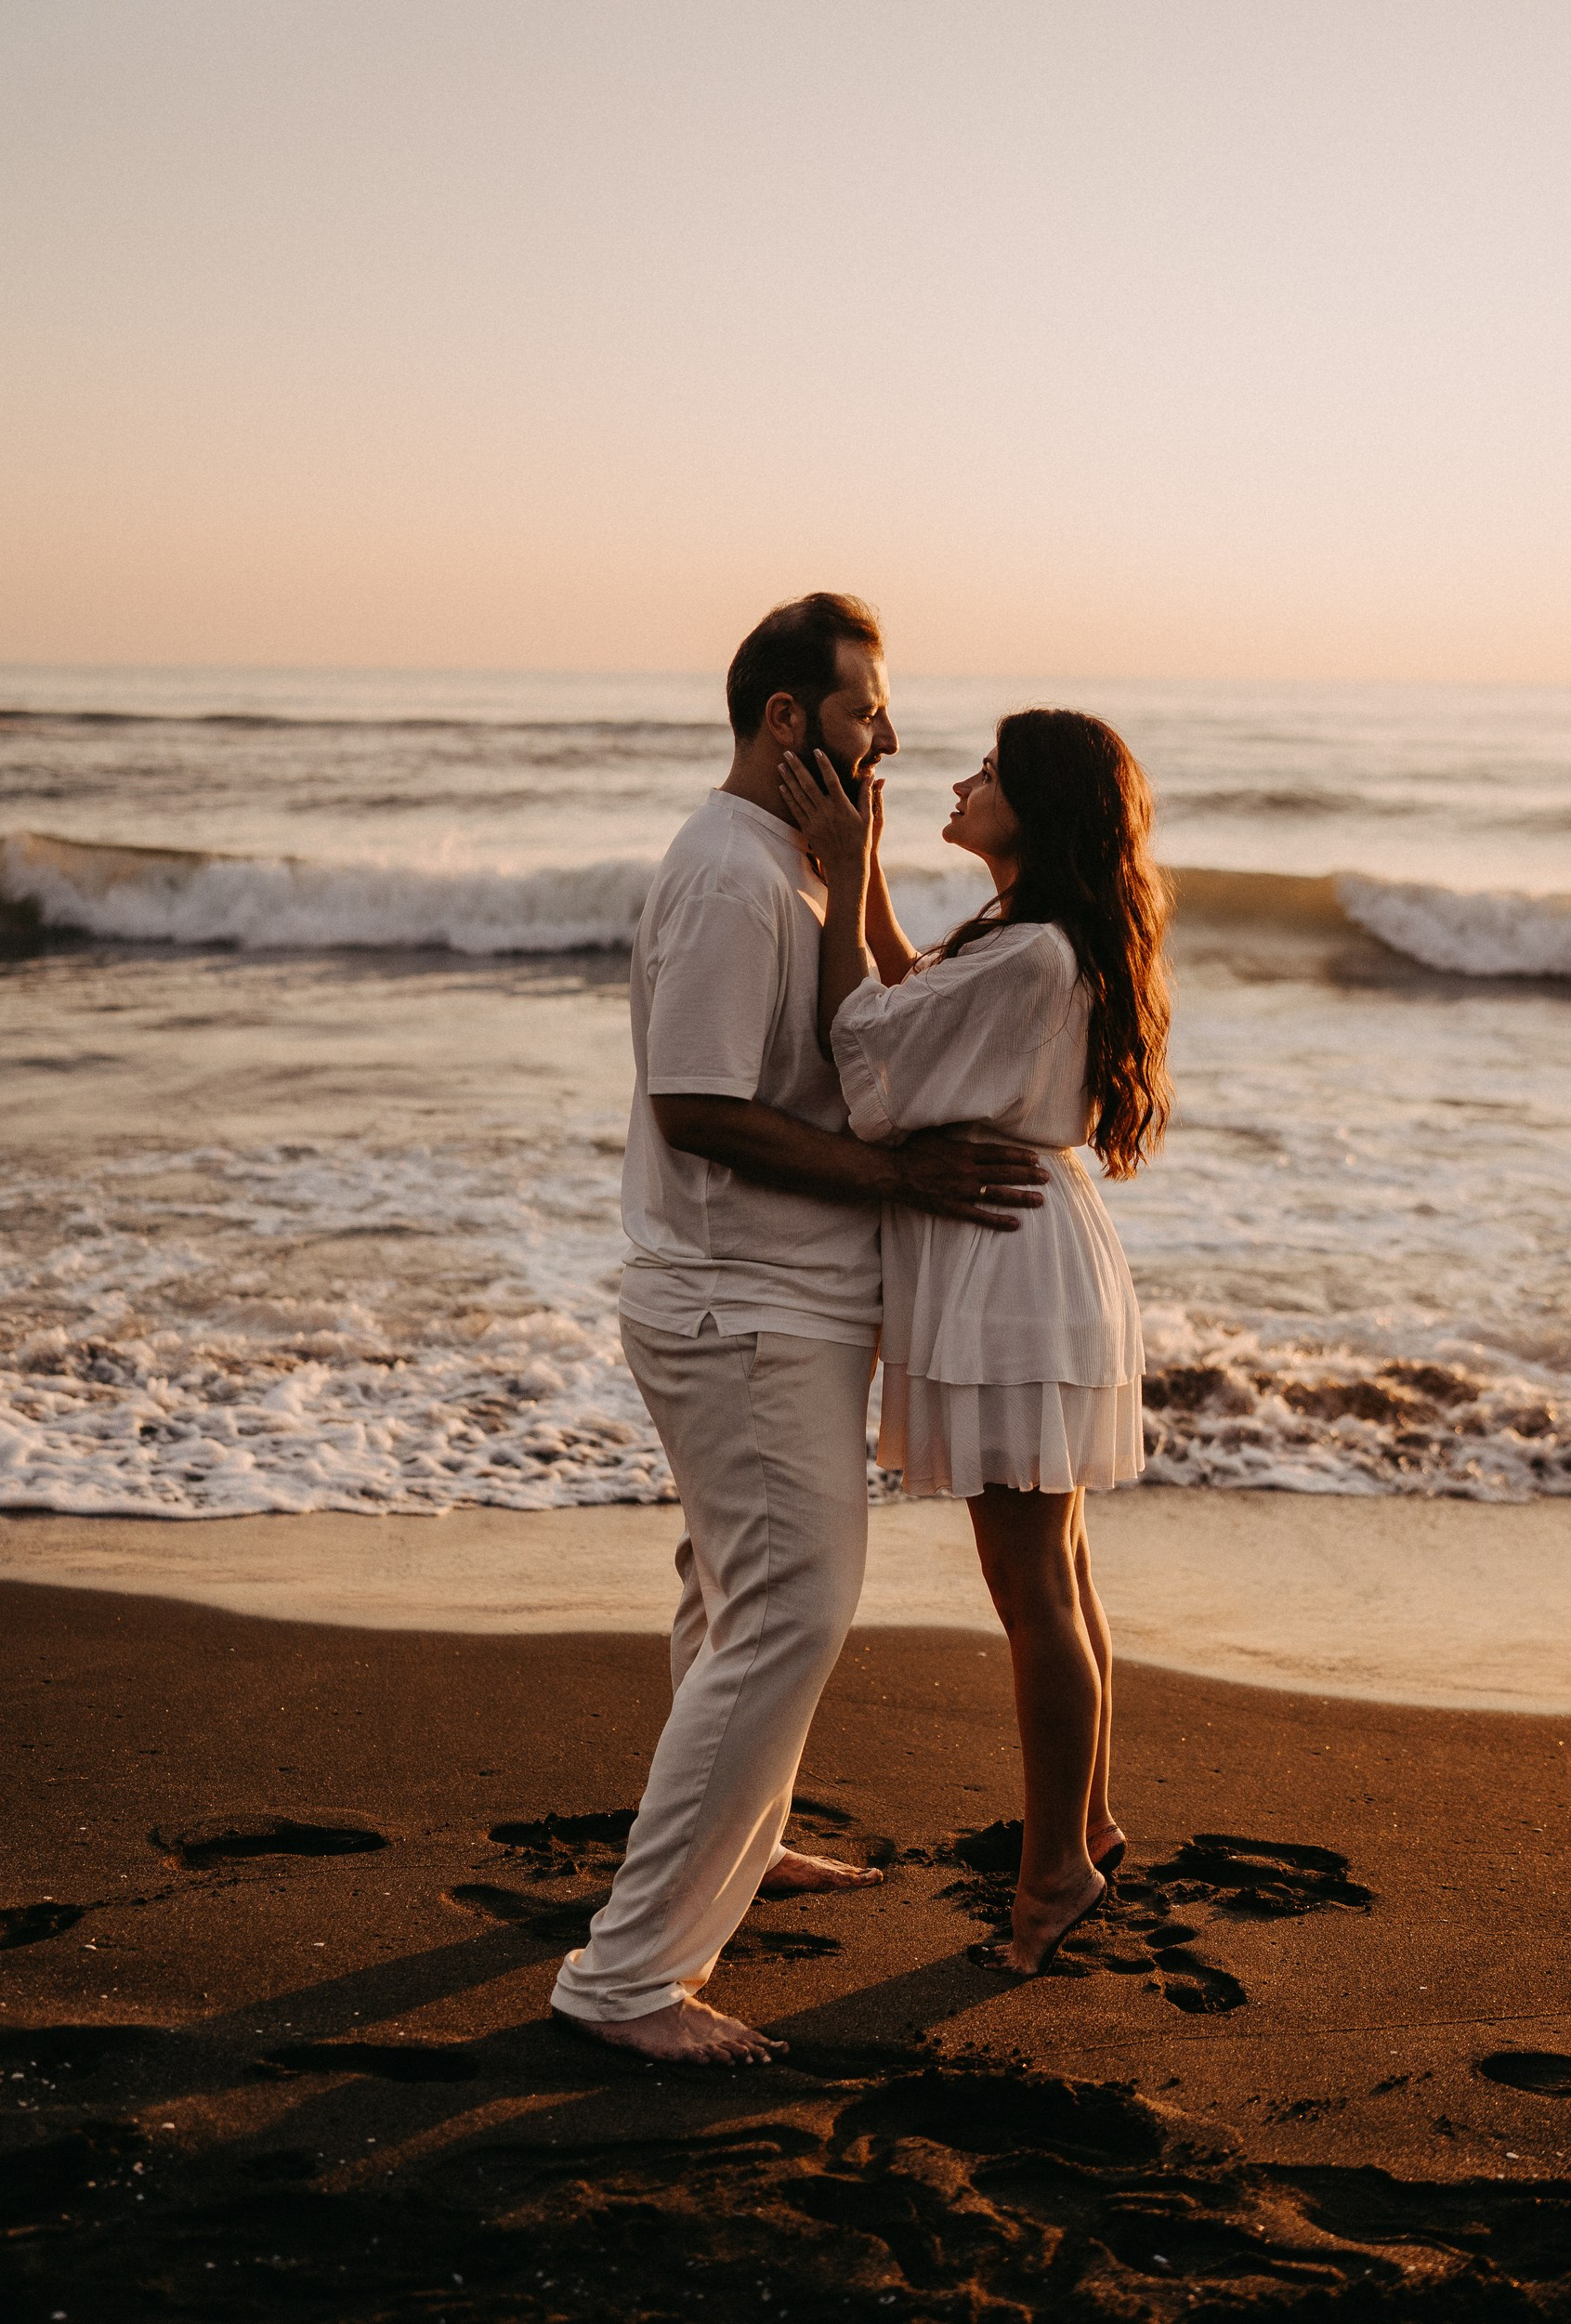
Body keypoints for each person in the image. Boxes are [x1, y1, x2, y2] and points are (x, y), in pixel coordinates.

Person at [549, 594, 1048, 2066]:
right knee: (790, 1611)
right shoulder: (727, 875)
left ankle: (732, 1854)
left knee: (733, 1596)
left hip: (774, 1299)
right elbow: (699, 1110)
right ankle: (627, 1983)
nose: (889, 734)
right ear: (787, 722)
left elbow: (873, 1021)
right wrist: (896, 1176)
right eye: (862, 710)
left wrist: (866, 868)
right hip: (740, 1301)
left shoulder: (798, 859)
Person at [779, 707, 1171, 1974]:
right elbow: (915, 1004)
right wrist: (871, 865)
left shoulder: (1030, 953)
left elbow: (869, 1057)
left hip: (1008, 1271)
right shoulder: (1027, 939)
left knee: (1034, 1588)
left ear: (1037, 806)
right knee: (1058, 1570)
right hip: (1036, 1254)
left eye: (991, 773)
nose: (964, 780)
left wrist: (837, 885)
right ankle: (1090, 1821)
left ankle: (1055, 1868)